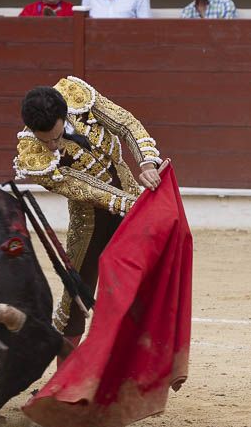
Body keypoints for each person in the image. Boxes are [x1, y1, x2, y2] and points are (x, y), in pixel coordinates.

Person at [13, 77, 163, 343]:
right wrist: (137, 205)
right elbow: (88, 189)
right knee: (76, 300)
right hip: (90, 226)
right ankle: (69, 368)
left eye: (56, 137)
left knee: (147, 281)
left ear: (65, 116)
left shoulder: (76, 95)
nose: (53, 146)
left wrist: (147, 163)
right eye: (45, 141)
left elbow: (125, 124)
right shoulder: (32, 156)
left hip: (130, 197)